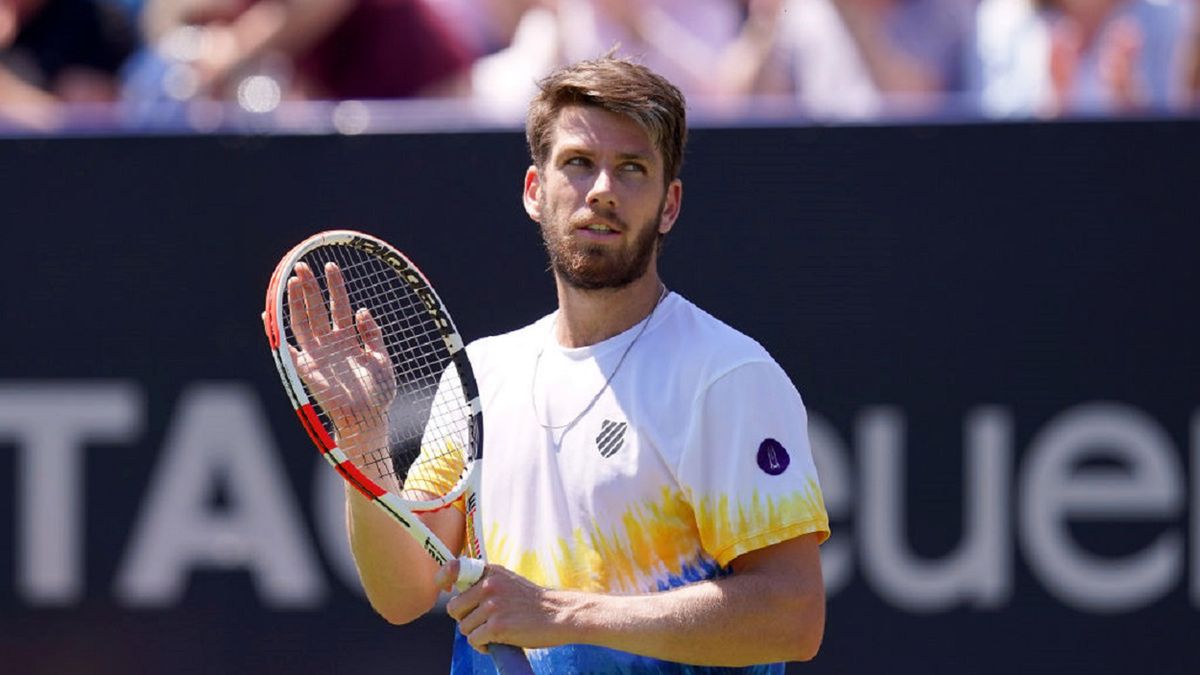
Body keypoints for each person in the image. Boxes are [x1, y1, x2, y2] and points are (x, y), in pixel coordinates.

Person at [300, 56, 830, 673]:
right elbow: (405, 591)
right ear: (534, 191)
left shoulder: (727, 377)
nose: (602, 188)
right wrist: (363, 445)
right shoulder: (482, 374)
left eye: (631, 169)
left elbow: (793, 615)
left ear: (669, 205)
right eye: (579, 163)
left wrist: (558, 613)